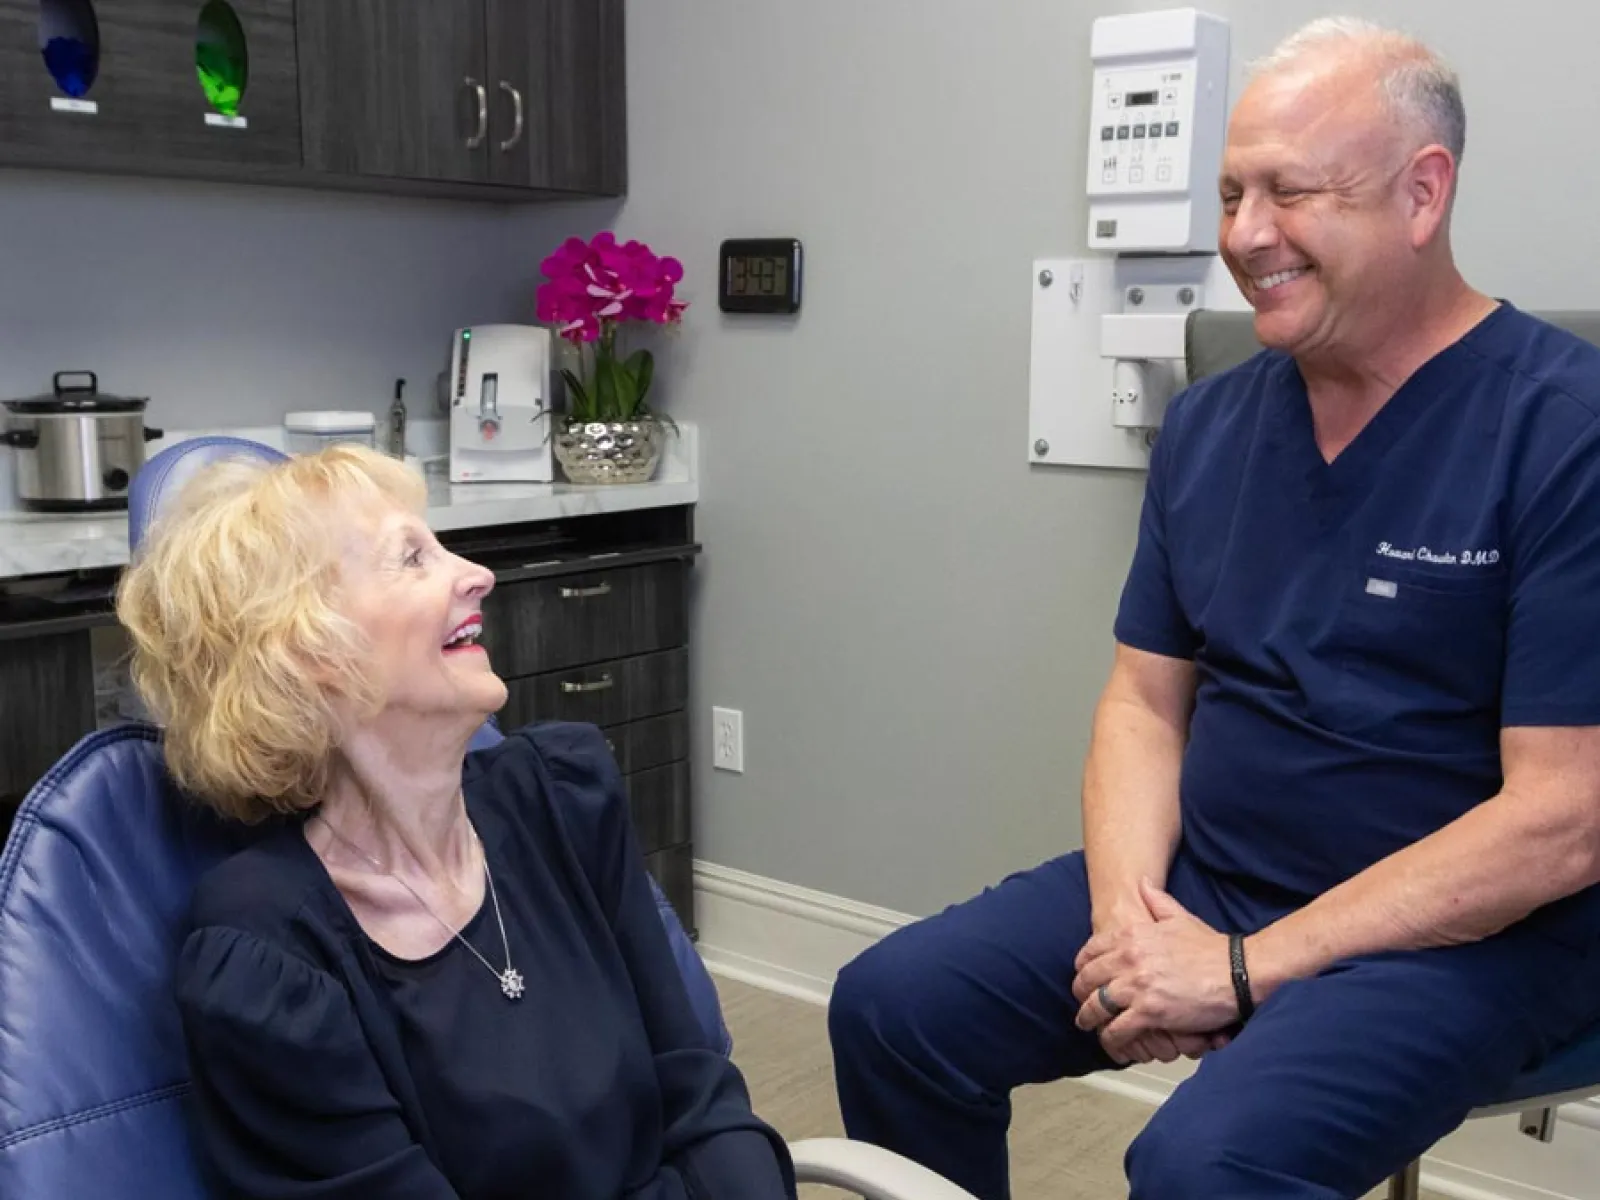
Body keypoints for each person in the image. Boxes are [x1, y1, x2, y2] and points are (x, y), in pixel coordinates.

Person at [828, 17, 1600, 1200]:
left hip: (1468, 934)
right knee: (895, 1008)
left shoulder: (1564, 428)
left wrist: (1243, 969)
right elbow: (1143, 702)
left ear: (1421, 192)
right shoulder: (1208, 425)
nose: (1243, 235)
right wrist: (1130, 927)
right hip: (1216, 877)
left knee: (1205, 1164)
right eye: (1231, 193)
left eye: (1290, 192)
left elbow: (1562, 818)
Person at [116, 444, 795, 1200]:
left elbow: (702, 1096)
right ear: (308, 650)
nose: (478, 574)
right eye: (412, 558)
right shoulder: (266, 960)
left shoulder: (562, 801)